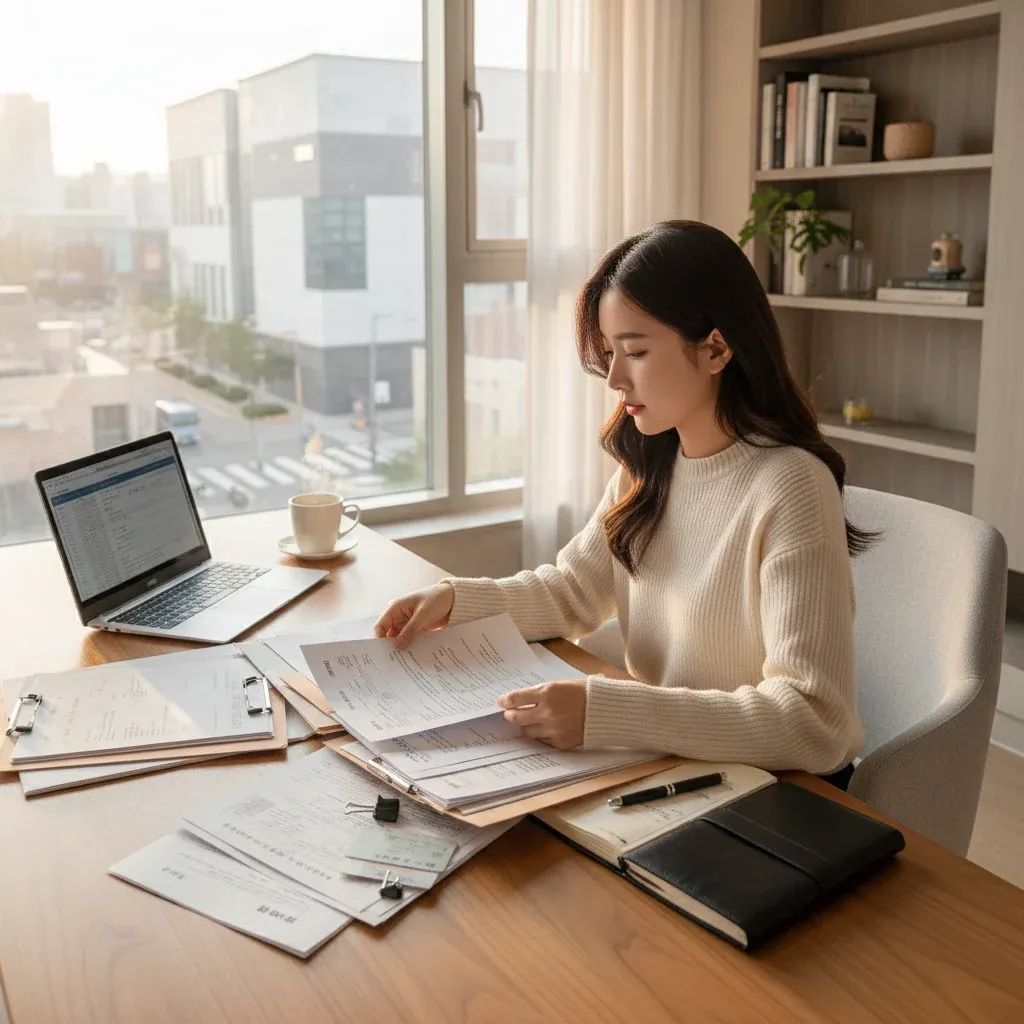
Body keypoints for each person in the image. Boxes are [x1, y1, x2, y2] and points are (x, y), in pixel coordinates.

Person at [374, 220, 869, 785]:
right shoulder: (650, 466)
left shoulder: (791, 487)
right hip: (672, 764)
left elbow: (815, 721)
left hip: (772, 789)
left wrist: (604, 711)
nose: (612, 377)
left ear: (715, 348)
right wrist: (454, 600)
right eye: (609, 352)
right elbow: (571, 592)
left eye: (633, 351)